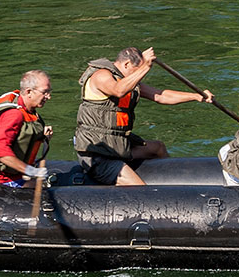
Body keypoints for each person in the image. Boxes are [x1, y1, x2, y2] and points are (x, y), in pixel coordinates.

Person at [73, 46, 213, 186]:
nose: (139, 76)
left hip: (119, 147)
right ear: (126, 64)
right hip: (98, 155)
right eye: (137, 71)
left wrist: (196, 96)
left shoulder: (127, 81)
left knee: (158, 148)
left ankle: (172, 187)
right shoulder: (101, 76)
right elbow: (118, 90)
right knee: (140, 189)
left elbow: (160, 96)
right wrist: (145, 66)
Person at [0, 70, 53, 187]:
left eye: (49, 92)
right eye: (45, 92)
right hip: (1, 178)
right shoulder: (13, 114)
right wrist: (30, 170)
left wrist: (41, 135)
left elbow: (23, 133)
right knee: (41, 189)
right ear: (29, 92)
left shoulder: (26, 107)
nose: (49, 97)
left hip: (17, 173)